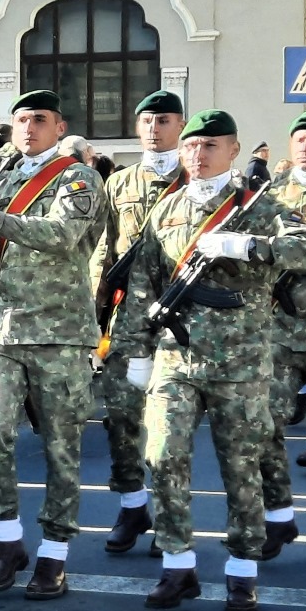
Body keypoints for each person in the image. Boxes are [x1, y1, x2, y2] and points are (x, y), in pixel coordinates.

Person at [117, 108, 306, 611]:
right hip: (176, 357)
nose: (198, 156)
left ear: (232, 151)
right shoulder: (167, 210)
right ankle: (177, 563)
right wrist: (138, 351)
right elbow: (144, 284)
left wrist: (252, 246)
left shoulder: (258, 206)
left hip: (242, 361)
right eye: (190, 147)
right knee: (162, 455)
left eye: (210, 147)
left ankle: (242, 570)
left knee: (241, 466)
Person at [0, 90, 107, 599]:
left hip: (61, 333)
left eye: (40, 120)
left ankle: (54, 554)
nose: (30, 128)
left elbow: (61, 233)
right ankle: (8, 540)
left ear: (59, 127)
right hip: (7, 328)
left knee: (62, 448)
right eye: (20, 120)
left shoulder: (78, 178)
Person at [93, 90, 187, 557]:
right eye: (147, 120)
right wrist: (94, 312)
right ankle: (132, 505)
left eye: (164, 120)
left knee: (173, 428)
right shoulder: (120, 183)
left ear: (181, 125)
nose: (155, 128)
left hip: (187, 316)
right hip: (129, 317)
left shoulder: (197, 180)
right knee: (120, 417)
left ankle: (172, 515)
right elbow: (103, 251)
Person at [257, 111, 306, 565]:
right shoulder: (270, 195)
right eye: (300, 138)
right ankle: (279, 512)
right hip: (279, 331)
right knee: (264, 429)